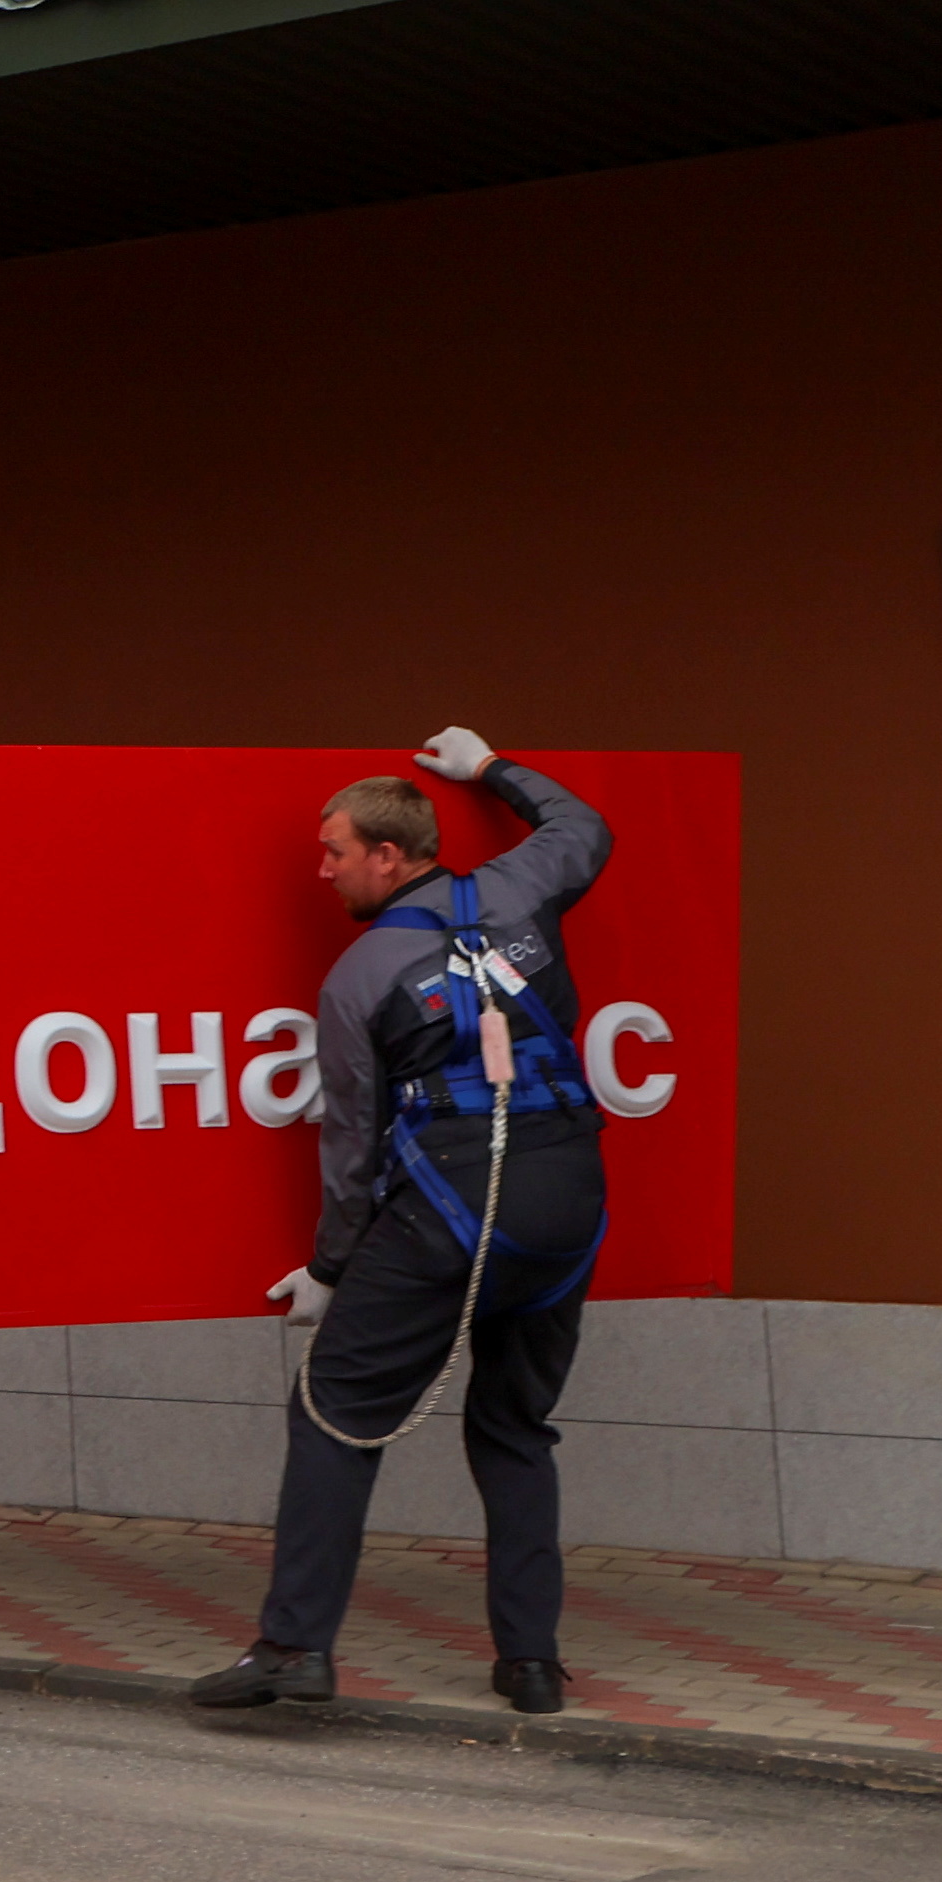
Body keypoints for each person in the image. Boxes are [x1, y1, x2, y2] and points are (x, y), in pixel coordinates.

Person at [194, 725, 612, 1719]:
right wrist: (489, 769)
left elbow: (351, 1142)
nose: (322, 866)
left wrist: (331, 1267)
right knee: (514, 1425)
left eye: (334, 849)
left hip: (452, 1213)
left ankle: (294, 1645)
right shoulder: (519, 891)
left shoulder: (357, 976)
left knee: (334, 1405)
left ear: (389, 853)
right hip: (568, 1202)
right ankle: (532, 1663)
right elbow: (583, 823)